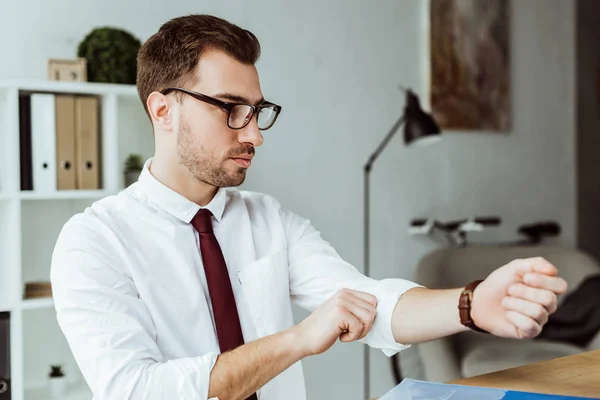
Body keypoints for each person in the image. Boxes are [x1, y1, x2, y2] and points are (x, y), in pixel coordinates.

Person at [50, 14, 568, 400]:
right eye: (231, 109)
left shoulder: (267, 219)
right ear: (163, 109)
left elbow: (367, 301)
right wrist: (297, 339)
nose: (253, 133)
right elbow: (138, 391)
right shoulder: (93, 243)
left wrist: (472, 304)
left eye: (257, 112)